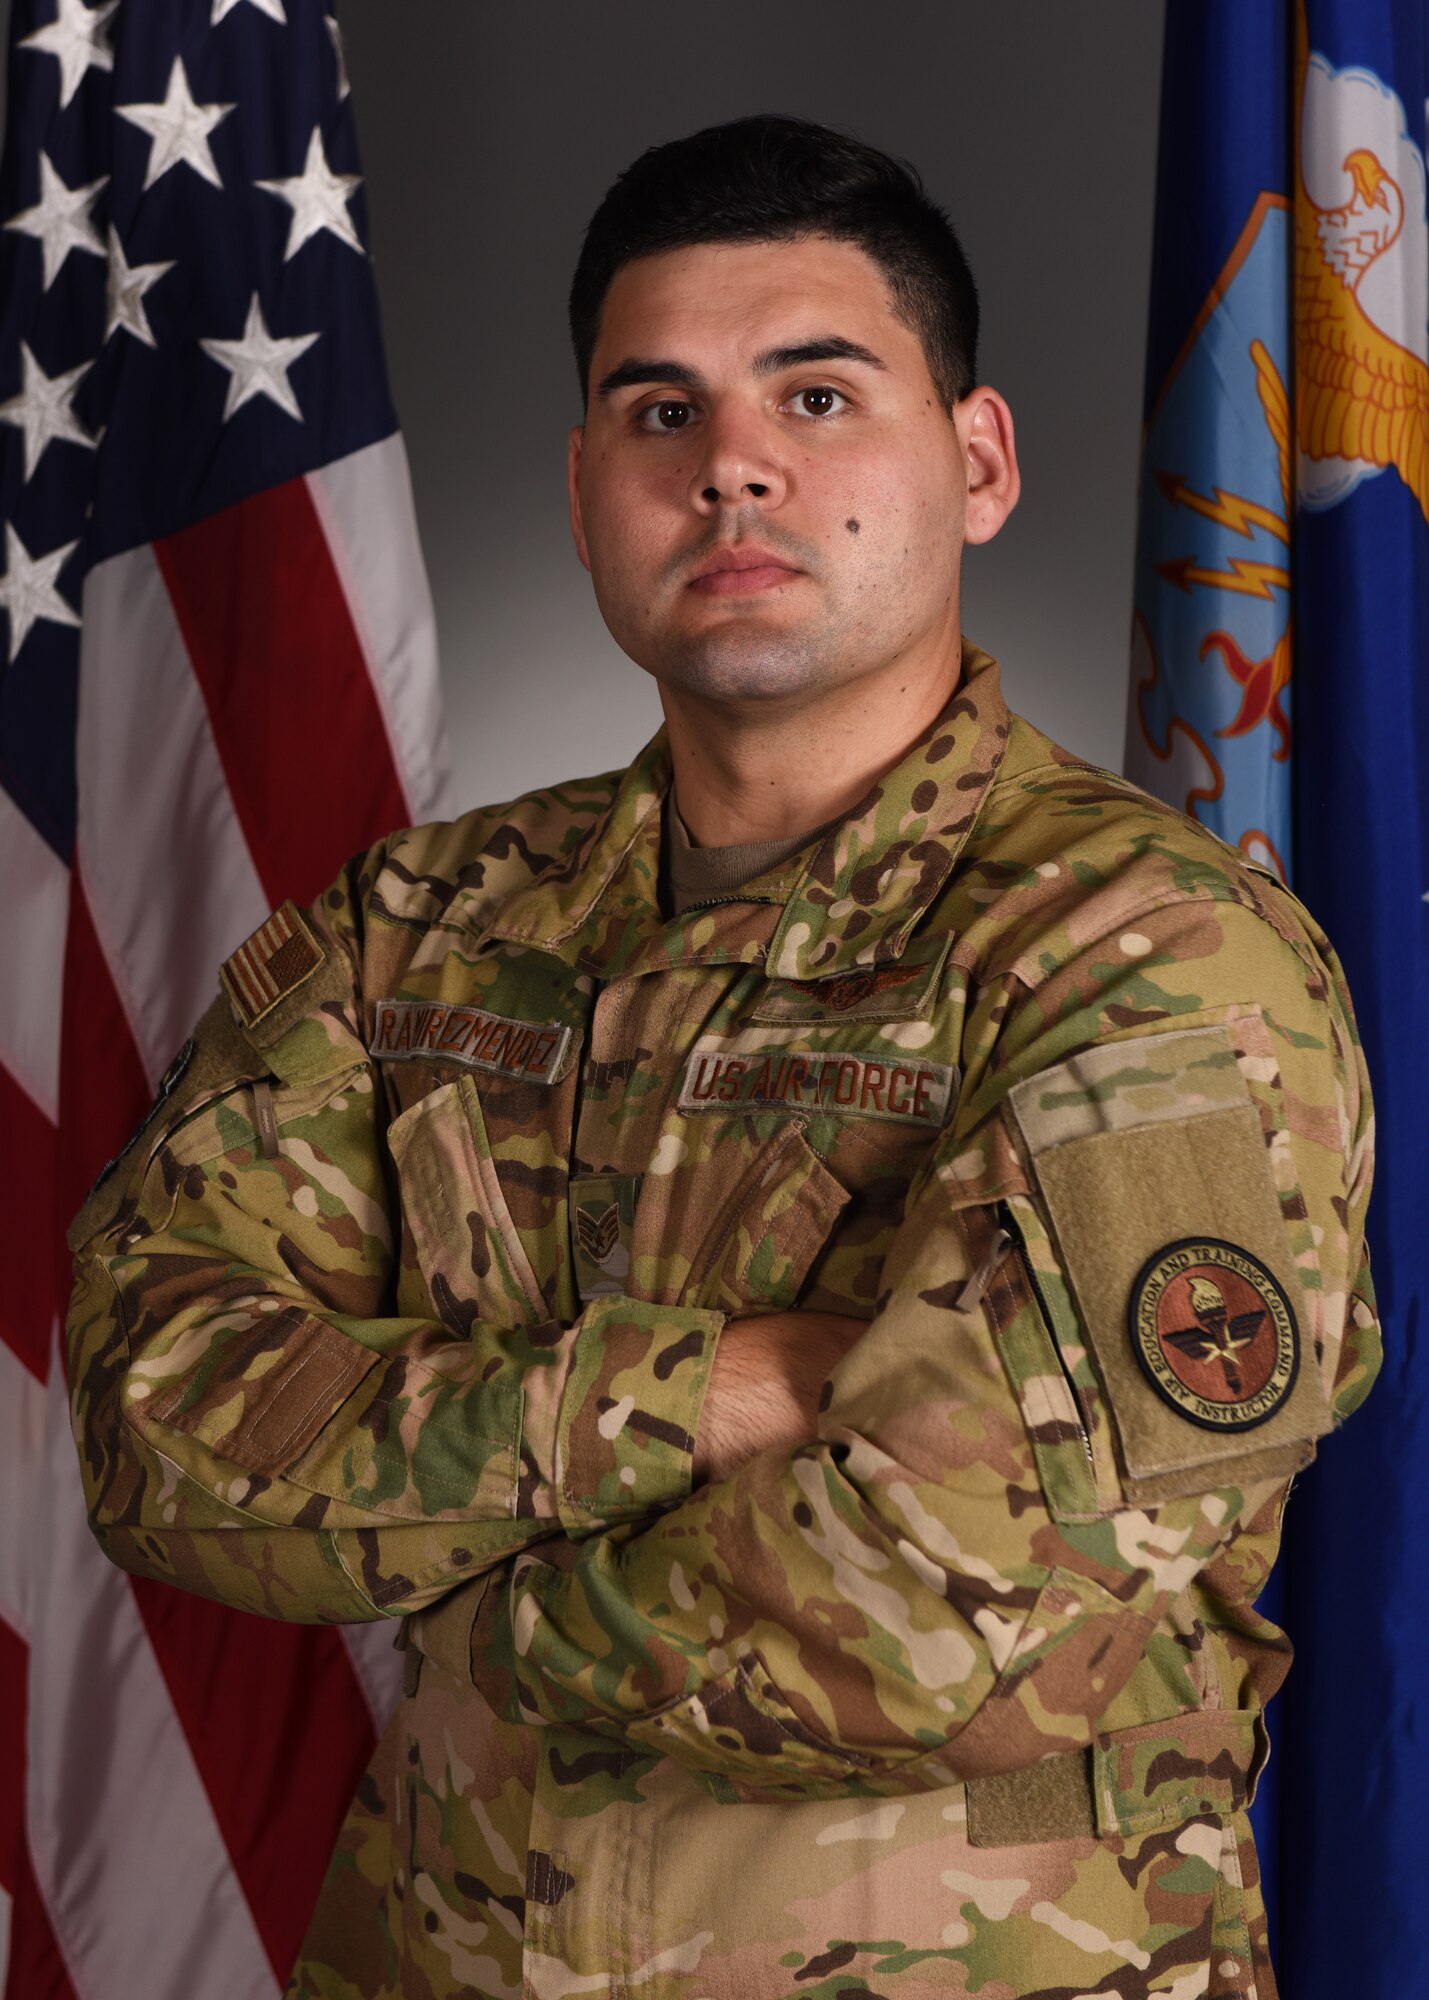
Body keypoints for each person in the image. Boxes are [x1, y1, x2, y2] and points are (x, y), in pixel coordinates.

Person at [65, 114, 1379, 2000]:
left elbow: (940, 1612)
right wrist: (713, 1394)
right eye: (659, 412)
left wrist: (440, 1565)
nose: (736, 467)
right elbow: (154, 1425)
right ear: (588, 477)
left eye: (820, 395)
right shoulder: (418, 930)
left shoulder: (1152, 957)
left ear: (980, 461)